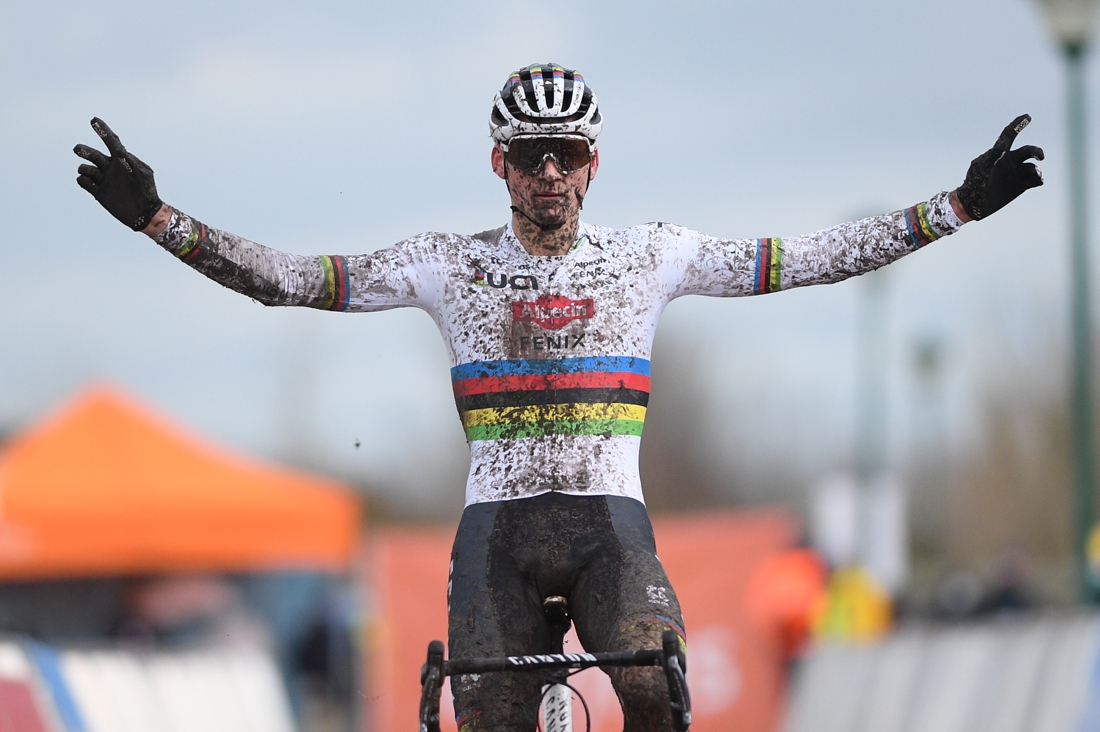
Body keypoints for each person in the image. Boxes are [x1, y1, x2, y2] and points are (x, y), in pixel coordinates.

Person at [73, 62, 1043, 732]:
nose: (548, 172)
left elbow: (802, 262)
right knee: (480, 712)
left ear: (592, 163)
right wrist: (162, 222)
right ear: (498, 163)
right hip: (494, 532)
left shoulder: (647, 256)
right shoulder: (445, 265)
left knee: (653, 685)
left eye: (565, 152)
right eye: (529, 152)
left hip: (604, 527)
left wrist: (949, 210)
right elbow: (294, 280)